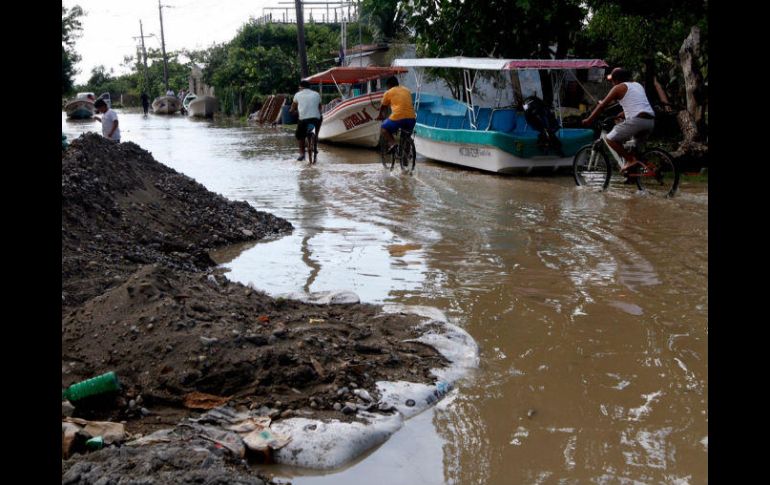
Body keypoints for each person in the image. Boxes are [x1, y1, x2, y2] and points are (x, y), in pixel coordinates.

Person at [581, 67, 655, 173]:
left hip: (637, 121)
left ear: (617, 80)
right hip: (650, 122)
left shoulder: (618, 87)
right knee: (634, 148)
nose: (612, 83)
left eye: (612, 81)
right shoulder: (638, 85)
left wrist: (589, 119)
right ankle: (637, 172)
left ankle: (630, 160)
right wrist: (623, 114)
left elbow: (602, 106)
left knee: (610, 139)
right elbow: (638, 104)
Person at [376, 76, 416, 154]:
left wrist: (380, 115)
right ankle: (406, 161)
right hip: (411, 118)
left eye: (387, 86)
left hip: (398, 118)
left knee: (384, 129)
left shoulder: (389, 92)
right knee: (406, 137)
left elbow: (383, 106)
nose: (387, 88)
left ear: (389, 85)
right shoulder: (407, 90)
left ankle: (393, 143)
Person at [290, 80, 322, 161]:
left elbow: (292, 109)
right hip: (315, 119)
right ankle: (315, 142)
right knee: (320, 118)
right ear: (309, 87)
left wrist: (292, 112)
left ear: (300, 87)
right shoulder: (316, 94)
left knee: (301, 136)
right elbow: (320, 108)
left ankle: (302, 154)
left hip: (303, 119)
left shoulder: (297, 95)